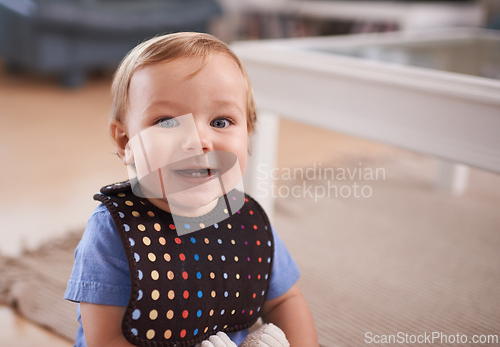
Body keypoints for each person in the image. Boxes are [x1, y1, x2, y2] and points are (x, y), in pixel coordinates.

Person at [64, 32, 318, 347]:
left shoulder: (247, 220)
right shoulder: (114, 230)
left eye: (221, 122)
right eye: (167, 122)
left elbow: (284, 301)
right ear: (126, 142)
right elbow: (107, 339)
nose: (198, 141)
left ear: (248, 135)